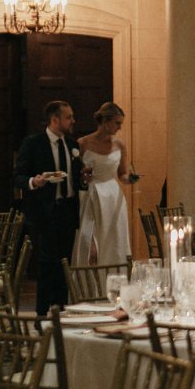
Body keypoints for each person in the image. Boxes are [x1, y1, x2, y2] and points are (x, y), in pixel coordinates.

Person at [14, 100, 81, 314]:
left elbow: (76, 179)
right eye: (68, 117)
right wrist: (34, 181)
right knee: (47, 264)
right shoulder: (33, 143)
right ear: (55, 120)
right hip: (44, 212)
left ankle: (61, 312)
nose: (73, 121)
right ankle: (42, 314)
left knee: (64, 263)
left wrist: (84, 178)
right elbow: (18, 176)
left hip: (68, 210)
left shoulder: (72, 145)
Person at [73, 102, 138, 266]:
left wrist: (130, 179)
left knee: (114, 240)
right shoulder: (83, 143)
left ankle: (114, 276)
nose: (120, 127)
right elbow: (75, 174)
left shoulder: (119, 145)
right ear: (106, 121)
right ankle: (90, 279)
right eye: (117, 123)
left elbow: (122, 174)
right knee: (89, 240)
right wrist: (83, 177)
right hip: (91, 194)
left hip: (113, 195)